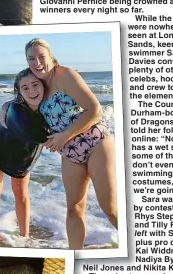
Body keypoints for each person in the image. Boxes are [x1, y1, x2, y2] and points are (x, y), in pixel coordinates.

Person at [21, 38, 117, 249]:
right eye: (31, 59)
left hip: (95, 141)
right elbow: (19, 98)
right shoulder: (36, 85)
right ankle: (76, 256)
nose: (37, 63)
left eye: (41, 57)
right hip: (71, 153)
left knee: (109, 207)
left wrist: (64, 135)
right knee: (73, 207)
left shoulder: (65, 75)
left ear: (50, 56)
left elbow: (95, 110)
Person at [0, 69, 50, 242]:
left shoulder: (50, 107)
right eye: (25, 88)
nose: (32, 91)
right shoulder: (15, 110)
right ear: (19, 92)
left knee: (21, 193)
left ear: (44, 85)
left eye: (35, 85)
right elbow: (39, 136)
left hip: (24, 153)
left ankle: (25, 237)